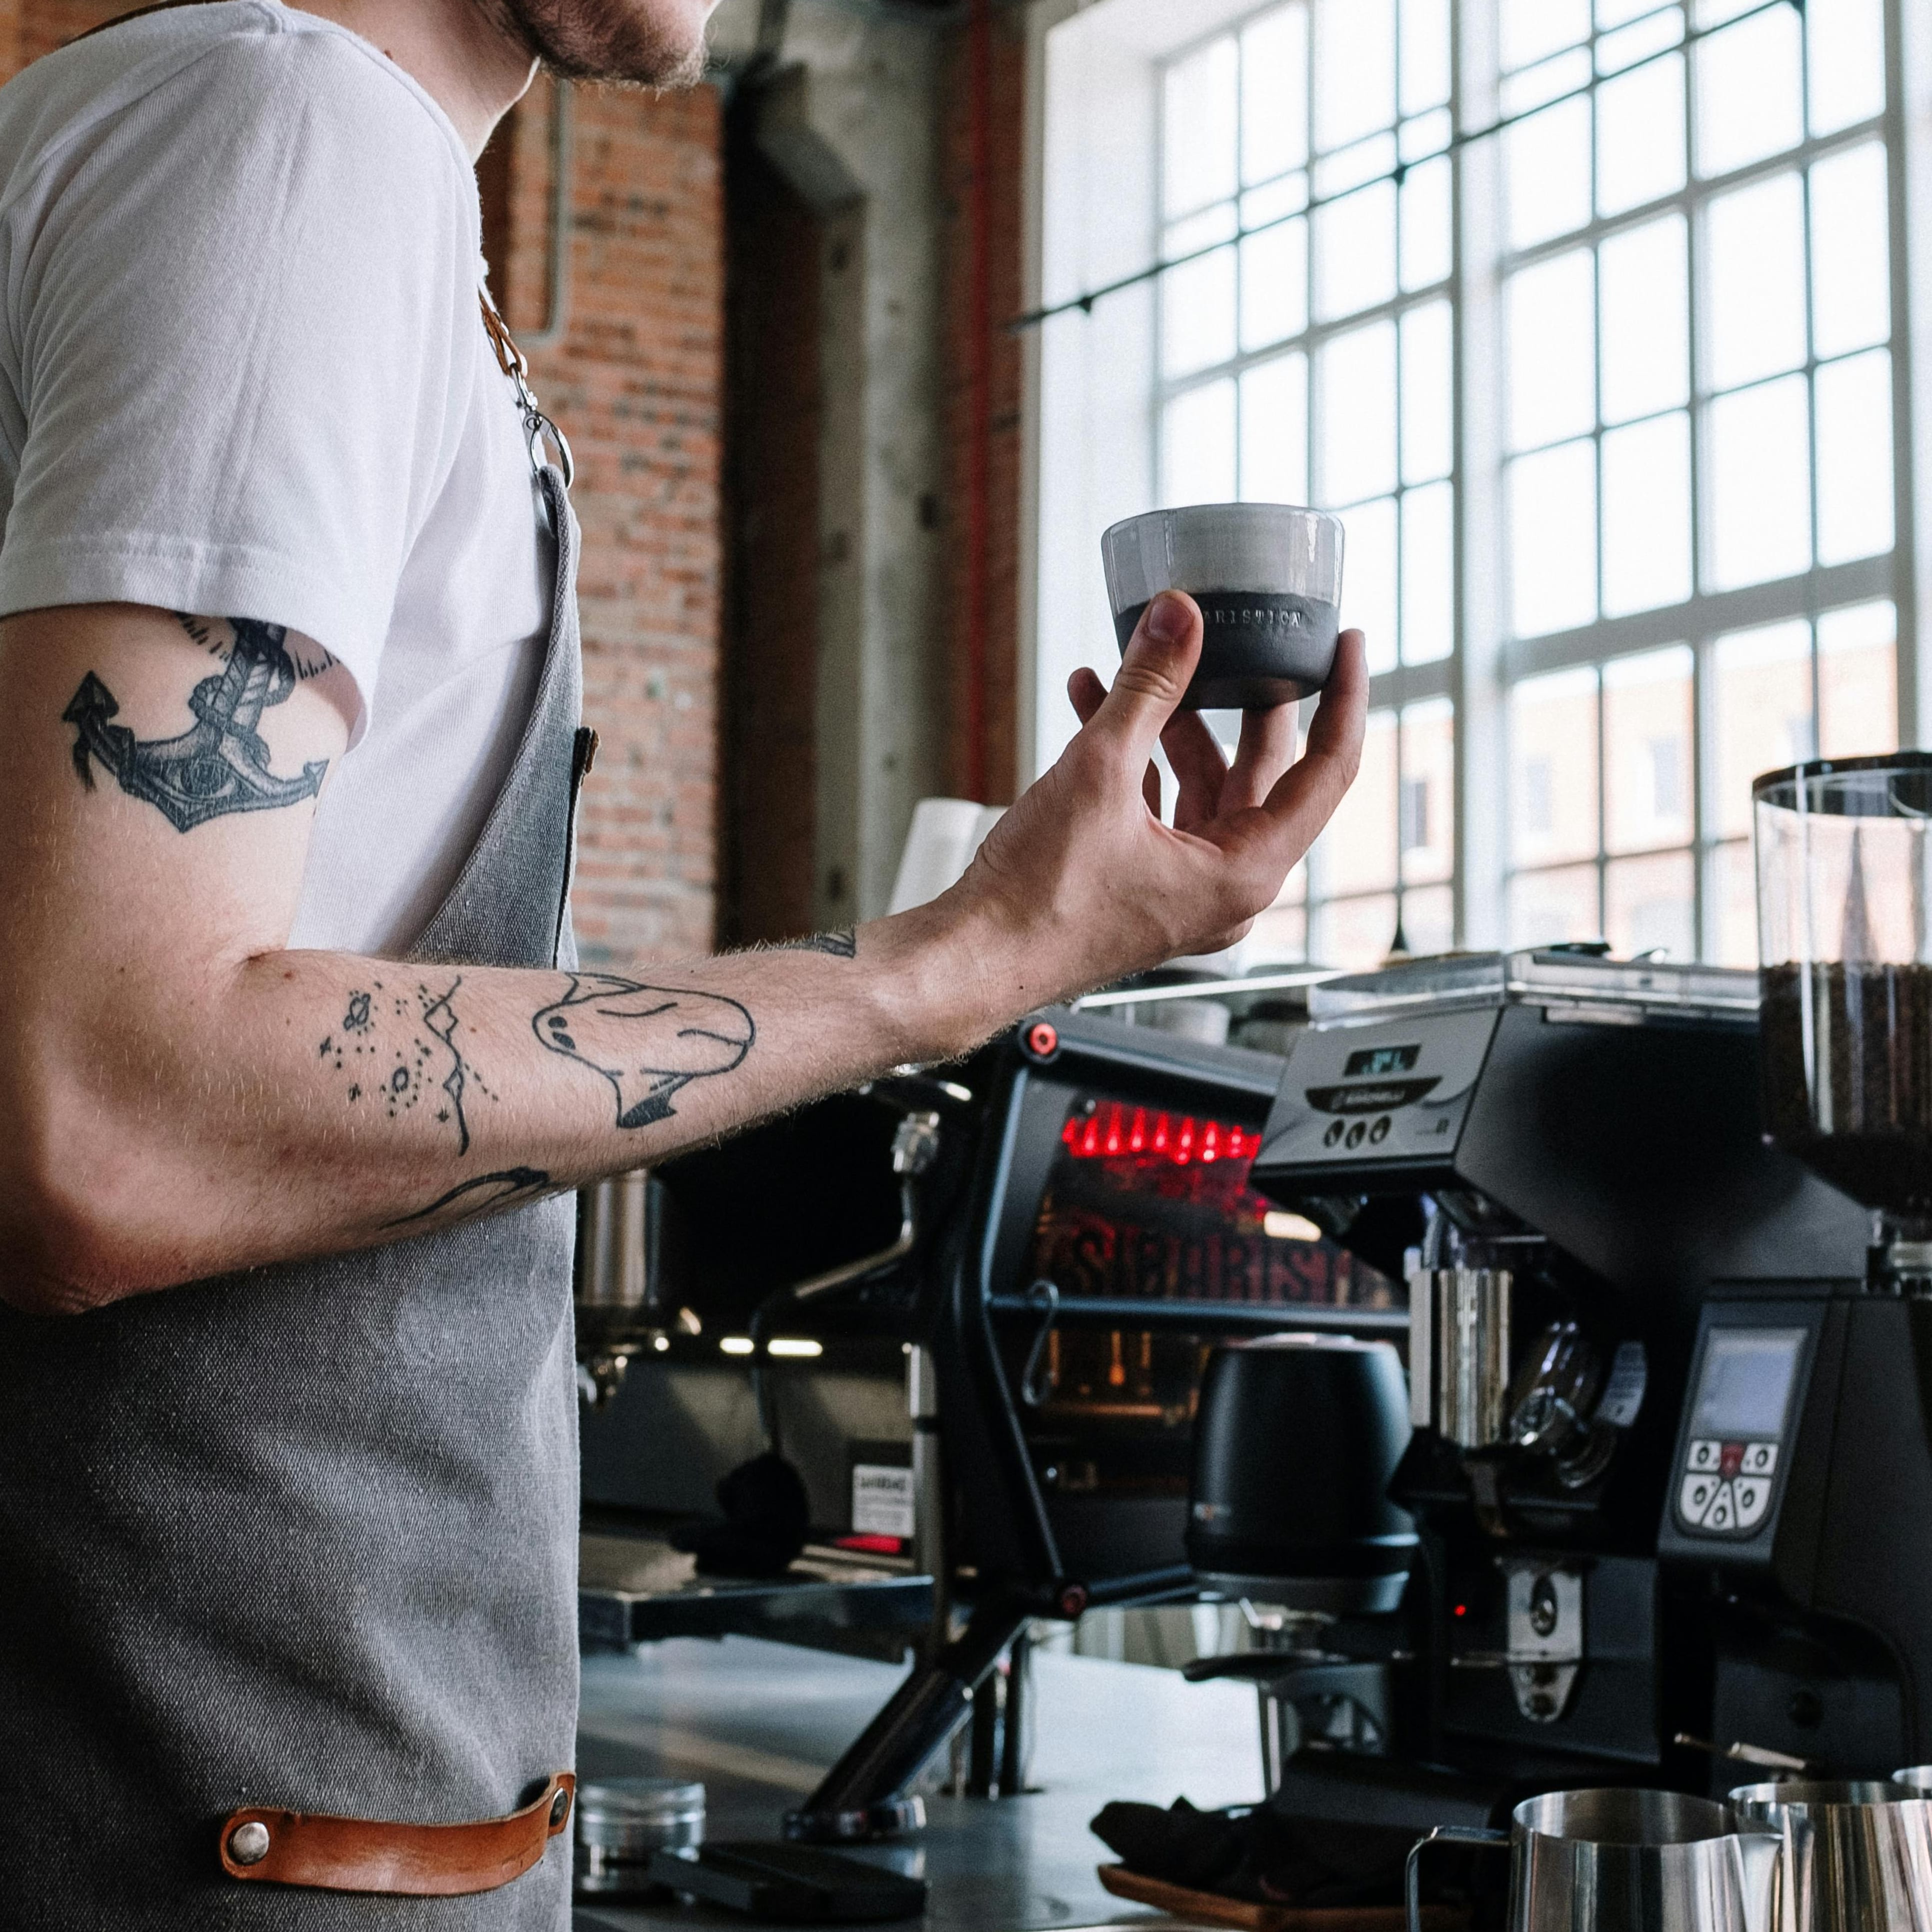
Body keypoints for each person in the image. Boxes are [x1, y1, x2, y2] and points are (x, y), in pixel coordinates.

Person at [0, 0, 1367, 1922]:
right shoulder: (291, 137)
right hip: (201, 1798)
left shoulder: (183, 141)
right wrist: (947, 965)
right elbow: (106, 1114)